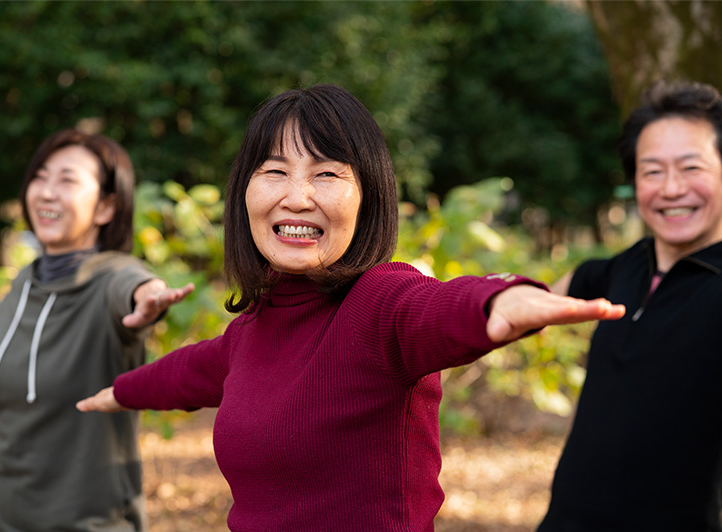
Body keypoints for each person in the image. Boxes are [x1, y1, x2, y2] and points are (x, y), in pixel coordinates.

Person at [77, 84, 624, 531]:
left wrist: (500, 298)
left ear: (368, 198)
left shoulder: (377, 303)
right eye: (273, 171)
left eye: (327, 173)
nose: (296, 196)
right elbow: (192, 370)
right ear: (244, 193)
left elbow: (434, 307)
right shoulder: (252, 329)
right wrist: (120, 391)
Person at [0, 128, 194, 531]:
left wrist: (150, 296)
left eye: (67, 179)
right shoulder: (19, 287)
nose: (47, 192)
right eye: (41, 176)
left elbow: (134, 284)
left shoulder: (112, 279)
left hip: (87, 521)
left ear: (106, 207)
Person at [537, 79, 722, 532]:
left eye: (691, 167)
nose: (672, 188)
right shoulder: (621, 268)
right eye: (652, 171)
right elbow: (533, 305)